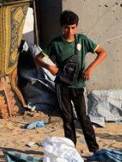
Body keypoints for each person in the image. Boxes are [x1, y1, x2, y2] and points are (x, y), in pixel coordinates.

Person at [38, 10, 108, 153]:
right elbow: (37, 58)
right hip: (62, 86)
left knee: (83, 118)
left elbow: (102, 52)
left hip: (79, 86)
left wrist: (89, 69)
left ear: (76, 27)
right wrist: (49, 66)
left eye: (72, 27)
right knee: (67, 119)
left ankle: (94, 150)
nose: (69, 31)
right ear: (61, 27)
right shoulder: (55, 43)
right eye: (66, 27)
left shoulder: (82, 40)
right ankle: (71, 151)